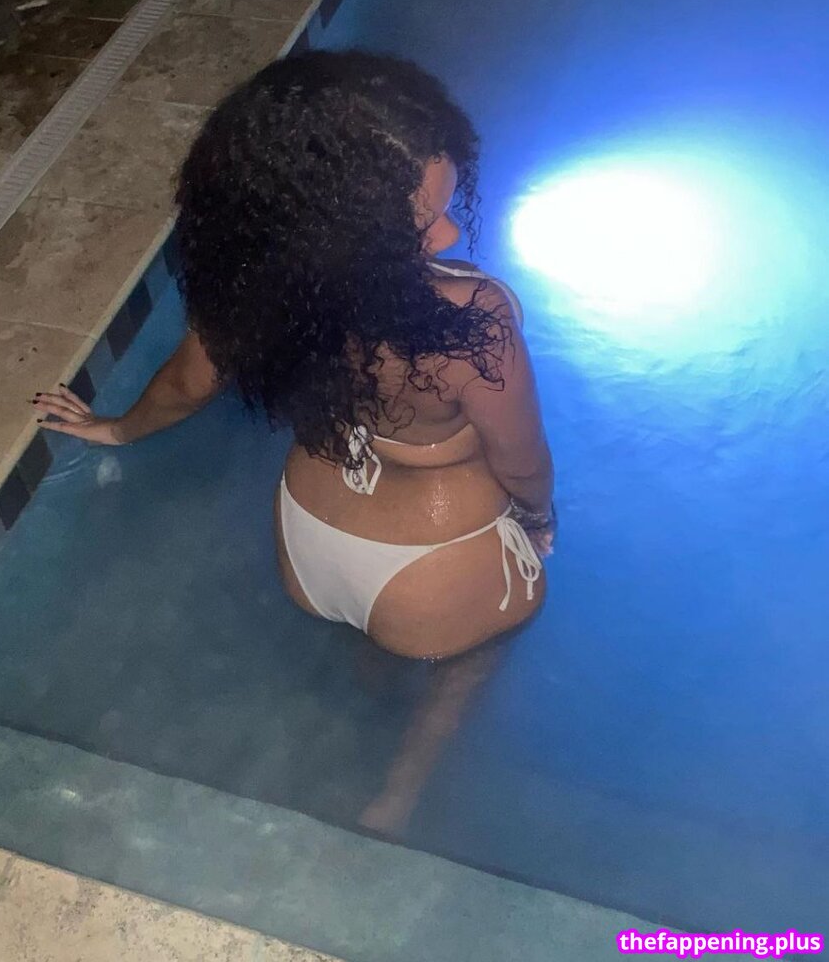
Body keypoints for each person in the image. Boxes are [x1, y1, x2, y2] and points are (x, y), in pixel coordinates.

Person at [32, 50, 555, 660]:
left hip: (307, 537)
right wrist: (539, 521)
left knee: (362, 674)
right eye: (422, 224)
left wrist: (116, 429)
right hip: (434, 572)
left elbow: (186, 385)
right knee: (460, 683)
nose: (450, 236)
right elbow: (522, 464)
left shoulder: (259, 286)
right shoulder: (468, 320)